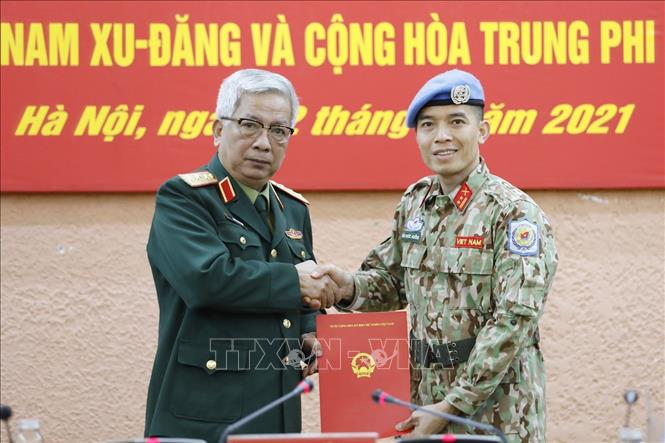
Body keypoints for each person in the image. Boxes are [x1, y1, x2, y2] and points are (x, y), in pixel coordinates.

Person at [313, 69, 558, 442]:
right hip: (421, 400)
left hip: (495, 410)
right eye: (428, 125)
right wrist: (347, 287)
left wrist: (451, 406)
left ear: (482, 131)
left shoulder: (513, 213)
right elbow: (391, 282)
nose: (441, 136)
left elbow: (514, 319)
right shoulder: (416, 202)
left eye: (456, 122)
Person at [144, 69, 338, 443]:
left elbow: (301, 298)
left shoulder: (293, 209)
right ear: (219, 130)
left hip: (277, 410)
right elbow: (206, 280)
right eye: (250, 125)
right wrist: (296, 284)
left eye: (279, 130)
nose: (264, 143)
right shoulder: (184, 198)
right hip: (203, 416)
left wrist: (312, 330)